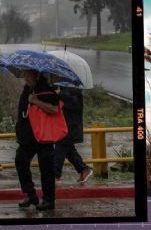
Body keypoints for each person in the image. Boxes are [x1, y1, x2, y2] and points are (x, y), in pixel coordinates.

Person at [15, 70, 59, 211]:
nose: (25, 78)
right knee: (20, 160)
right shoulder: (27, 89)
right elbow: (23, 112)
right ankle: (30, 194)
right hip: (28, 136)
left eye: (28, 75)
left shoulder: (46, 89)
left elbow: (54, 109)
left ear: (36, 75)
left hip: (43, 136)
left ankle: (48, 200)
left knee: (46, 168)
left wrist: (36, 101)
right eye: (25, 75)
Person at [53, 86, 93, 183]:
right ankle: (84, 169)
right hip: (62, 124)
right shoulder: (61, 86)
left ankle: (55, 175)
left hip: (71, 125)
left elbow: (76, 104)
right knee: (69, 150)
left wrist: (60, 94)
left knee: (60, 148)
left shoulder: (74, 88)